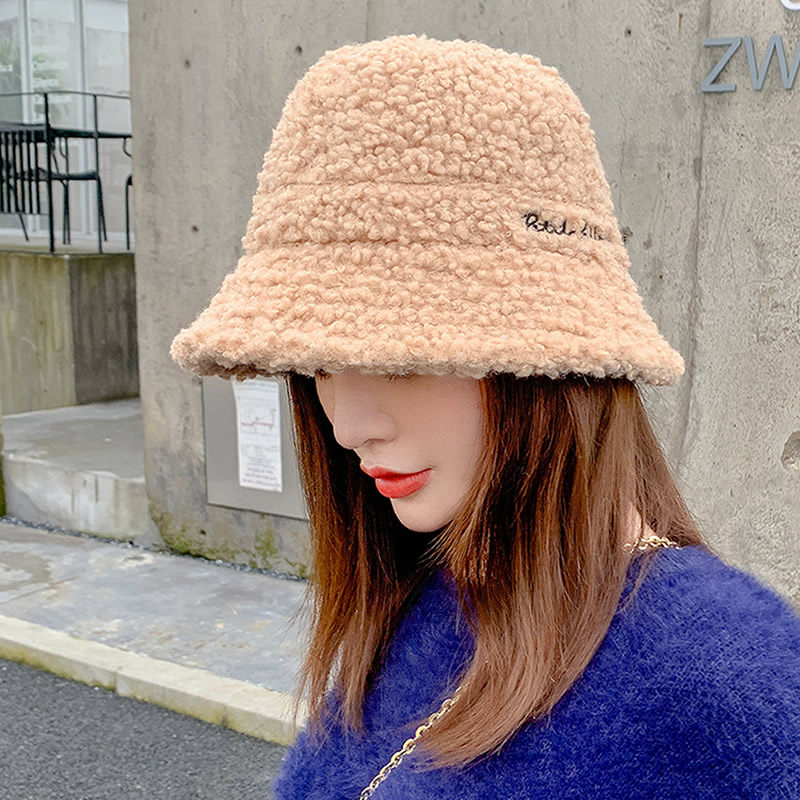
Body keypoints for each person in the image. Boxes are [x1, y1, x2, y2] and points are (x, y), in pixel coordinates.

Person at [170, 34, 800, 799]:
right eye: (319, 365)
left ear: (552, 364)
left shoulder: (733, 677)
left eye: (401, 360)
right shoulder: (428, 593)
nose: (346, 427)